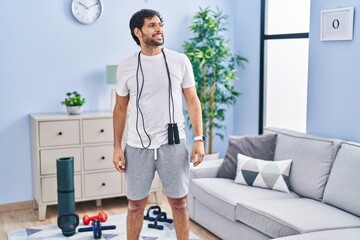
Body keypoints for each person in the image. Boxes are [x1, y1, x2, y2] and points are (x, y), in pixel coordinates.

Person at [112, 9, 205, 240]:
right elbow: (120, 108)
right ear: (138, 32)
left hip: (173, 144)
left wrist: (199, 139)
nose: (159, 29)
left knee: (180, 203)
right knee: (135, 204)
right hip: (137, 146)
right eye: (152, 25)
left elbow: (192, 101)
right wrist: (116, 147)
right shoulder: (125, 66)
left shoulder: (179, 61)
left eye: (160, 24)